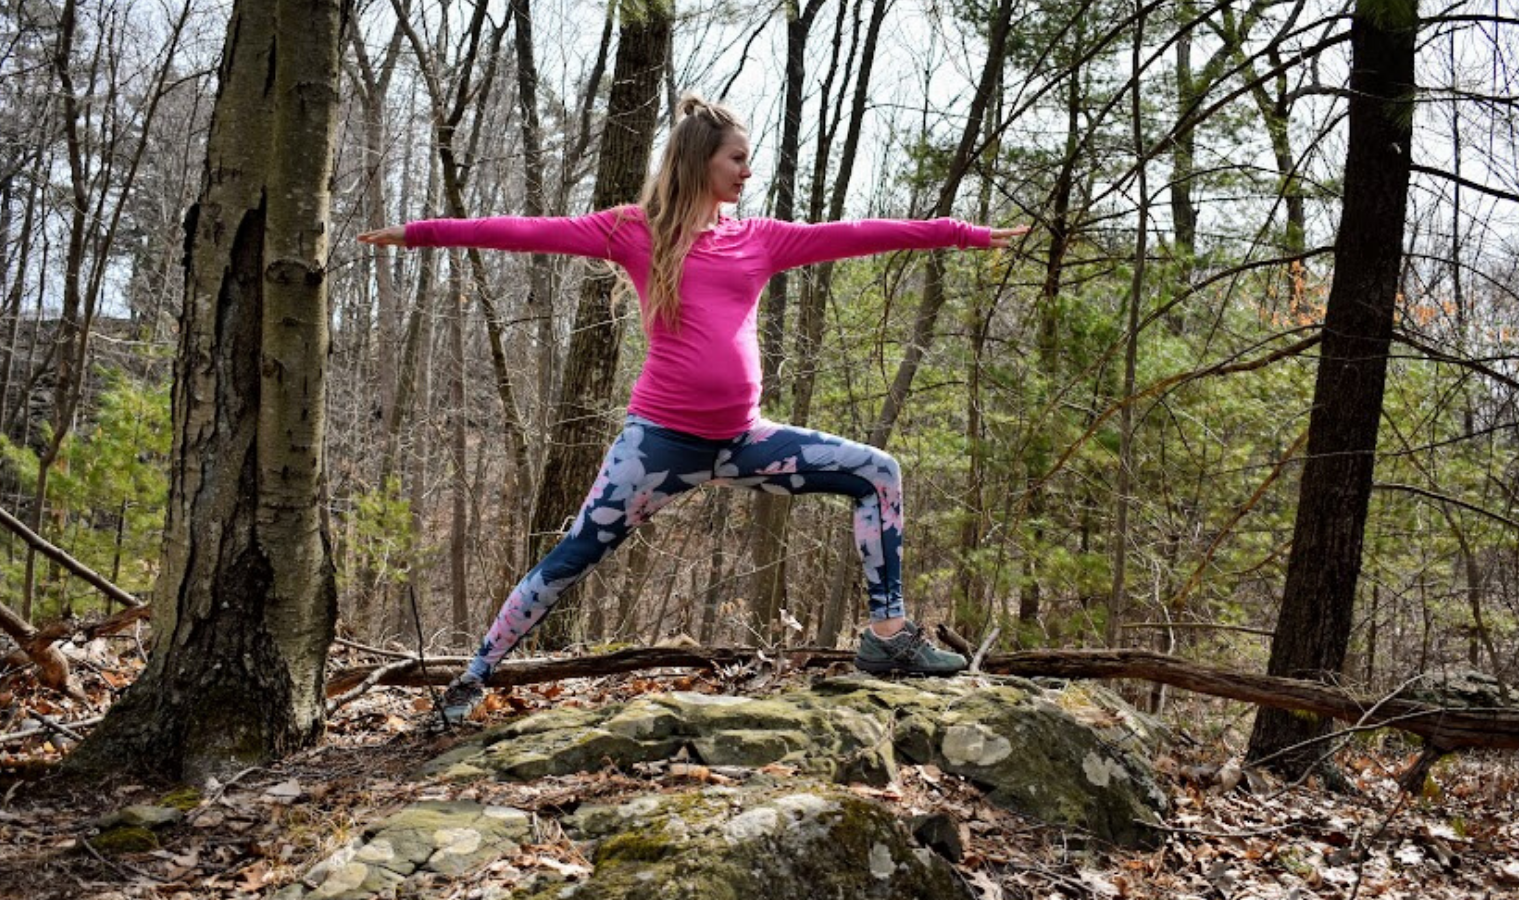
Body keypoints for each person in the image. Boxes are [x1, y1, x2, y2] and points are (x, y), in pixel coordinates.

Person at [359, 93, 1030, 720]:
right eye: (736, 158)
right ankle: (474, 676)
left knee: (878, 472)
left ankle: (889, 636)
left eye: (747, 159)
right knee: (573, 555)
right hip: (658, 447)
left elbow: (859, 232)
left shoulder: (760, 237)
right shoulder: (634, 230)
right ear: (699, 160)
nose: (746, 170)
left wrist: (962, 233)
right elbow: (525, 230)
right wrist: (419, 233)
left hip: (745, 443)